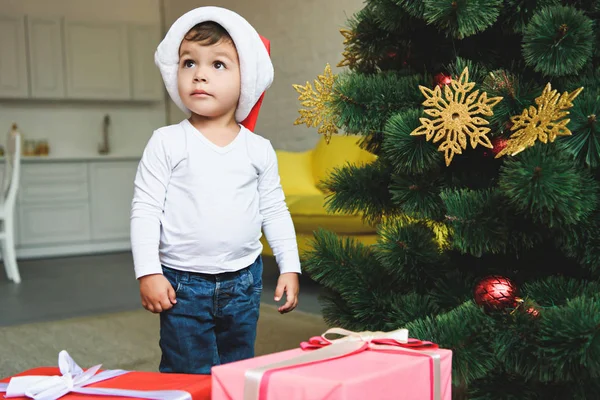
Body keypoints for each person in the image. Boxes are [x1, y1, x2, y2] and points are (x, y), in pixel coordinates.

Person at [130, 6, 301, 375]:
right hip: (182, 284)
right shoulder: (167, 142)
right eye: (189, 63)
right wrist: (148, 271)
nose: (200, 75)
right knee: (188, 371)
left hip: (244, 281)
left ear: (248, 79)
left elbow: (274, 210)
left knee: (238, 368)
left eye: (218, 65)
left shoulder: (258, 149)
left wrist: (289, 266)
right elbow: (145, 209)